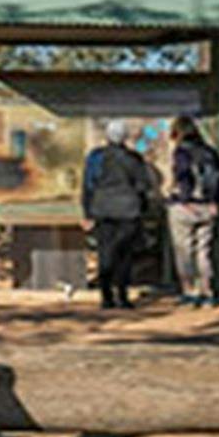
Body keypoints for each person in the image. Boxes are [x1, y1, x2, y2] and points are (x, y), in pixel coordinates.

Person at [82, 119, 154, 309]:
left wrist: (87, 211)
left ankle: (106, 297)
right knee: (124, 255)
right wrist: (143, 209)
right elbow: (142, 186)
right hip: (128, 211)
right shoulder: (134, 159)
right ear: (125, 137)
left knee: (105, 253)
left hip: (103, 209)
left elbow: (88, 185)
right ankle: (122, 295)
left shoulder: (96, 157)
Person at [166, 115, 219, 306]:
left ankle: (189, 292)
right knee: (203, 251)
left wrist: (180, 197)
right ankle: (207, 292)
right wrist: (214, 201)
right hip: (208, 207)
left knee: (184, 251)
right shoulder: (209, 152)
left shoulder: (181, 152)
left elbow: (182, 174)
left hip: (185, 207)